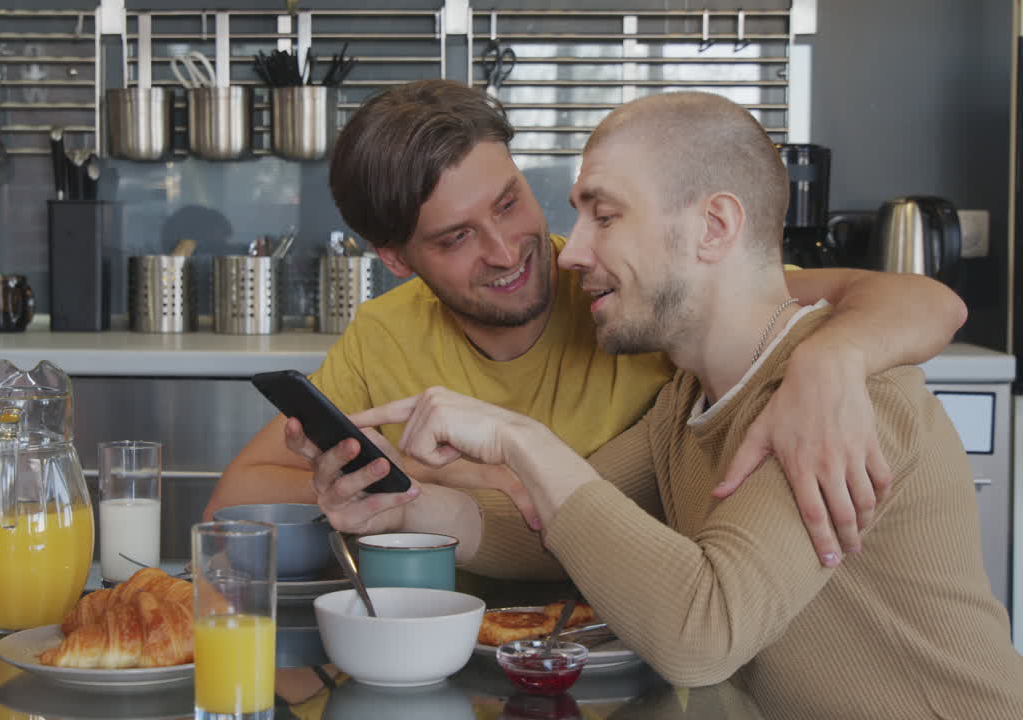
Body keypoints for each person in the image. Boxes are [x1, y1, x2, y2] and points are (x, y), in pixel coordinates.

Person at [291, 92, 1023, 719]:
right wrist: (406, 506)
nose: (567, 253)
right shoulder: (687, 404)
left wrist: (518, 438)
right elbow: (558, 526)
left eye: (603, 217)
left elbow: (701, 632)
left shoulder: (841, 400)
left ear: (714, 228)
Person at [206, 79, 967, 569]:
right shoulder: (387, 334)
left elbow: (921, 299)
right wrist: (372, 491)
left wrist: (826, 361)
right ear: (398, 259)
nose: (507, 252)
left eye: (508, 202)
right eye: (455, 237)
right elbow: (234, 498)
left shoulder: (631, 290)